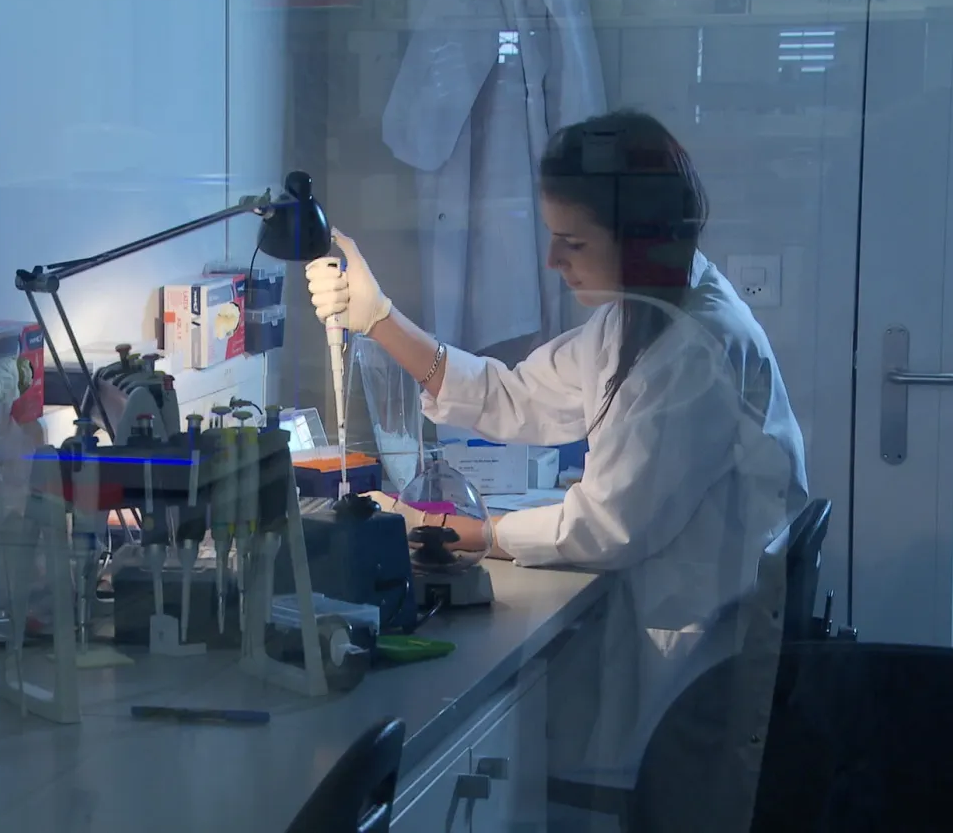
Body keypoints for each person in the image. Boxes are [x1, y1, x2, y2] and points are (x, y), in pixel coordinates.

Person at [305, 110, 809, 795]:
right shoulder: (643, 311)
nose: (552, 261)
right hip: (669, 630)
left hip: (691, 657)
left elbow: (605, 528)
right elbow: (515, 396)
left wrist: (445, 529)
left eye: (571, 242)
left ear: (639, 239)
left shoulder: (693, 345)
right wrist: (380, 318)